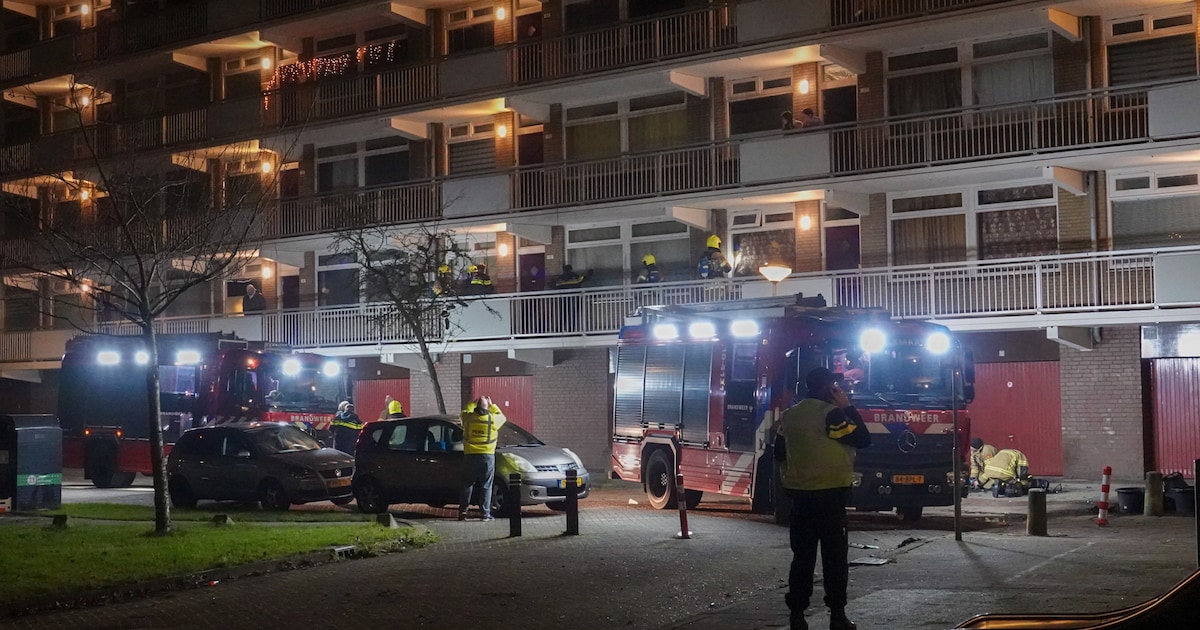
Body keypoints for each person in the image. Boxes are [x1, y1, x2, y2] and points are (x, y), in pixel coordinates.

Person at [774, 367, 871, 630]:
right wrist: (848, 406)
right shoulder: (832, 415)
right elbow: (863, 439)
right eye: (835, 386)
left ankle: (797, 615)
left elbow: (779, 453)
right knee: (834, 560)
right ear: (828, 388)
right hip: (830, 499)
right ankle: (837, 616)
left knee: (802, 559)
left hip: (800, 500)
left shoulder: (790, 416)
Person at [458, 395, 508, 521]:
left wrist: (472, 403)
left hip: (470, 456)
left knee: (467, 484)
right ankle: (485, 514)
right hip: (487, 456)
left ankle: (463, 512)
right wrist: (492, 405)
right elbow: (502, 416)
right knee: (486, 486)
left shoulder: (468, 418)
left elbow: (464, 411)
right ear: (487, 407)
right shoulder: (493, 419)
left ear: (476, 406)